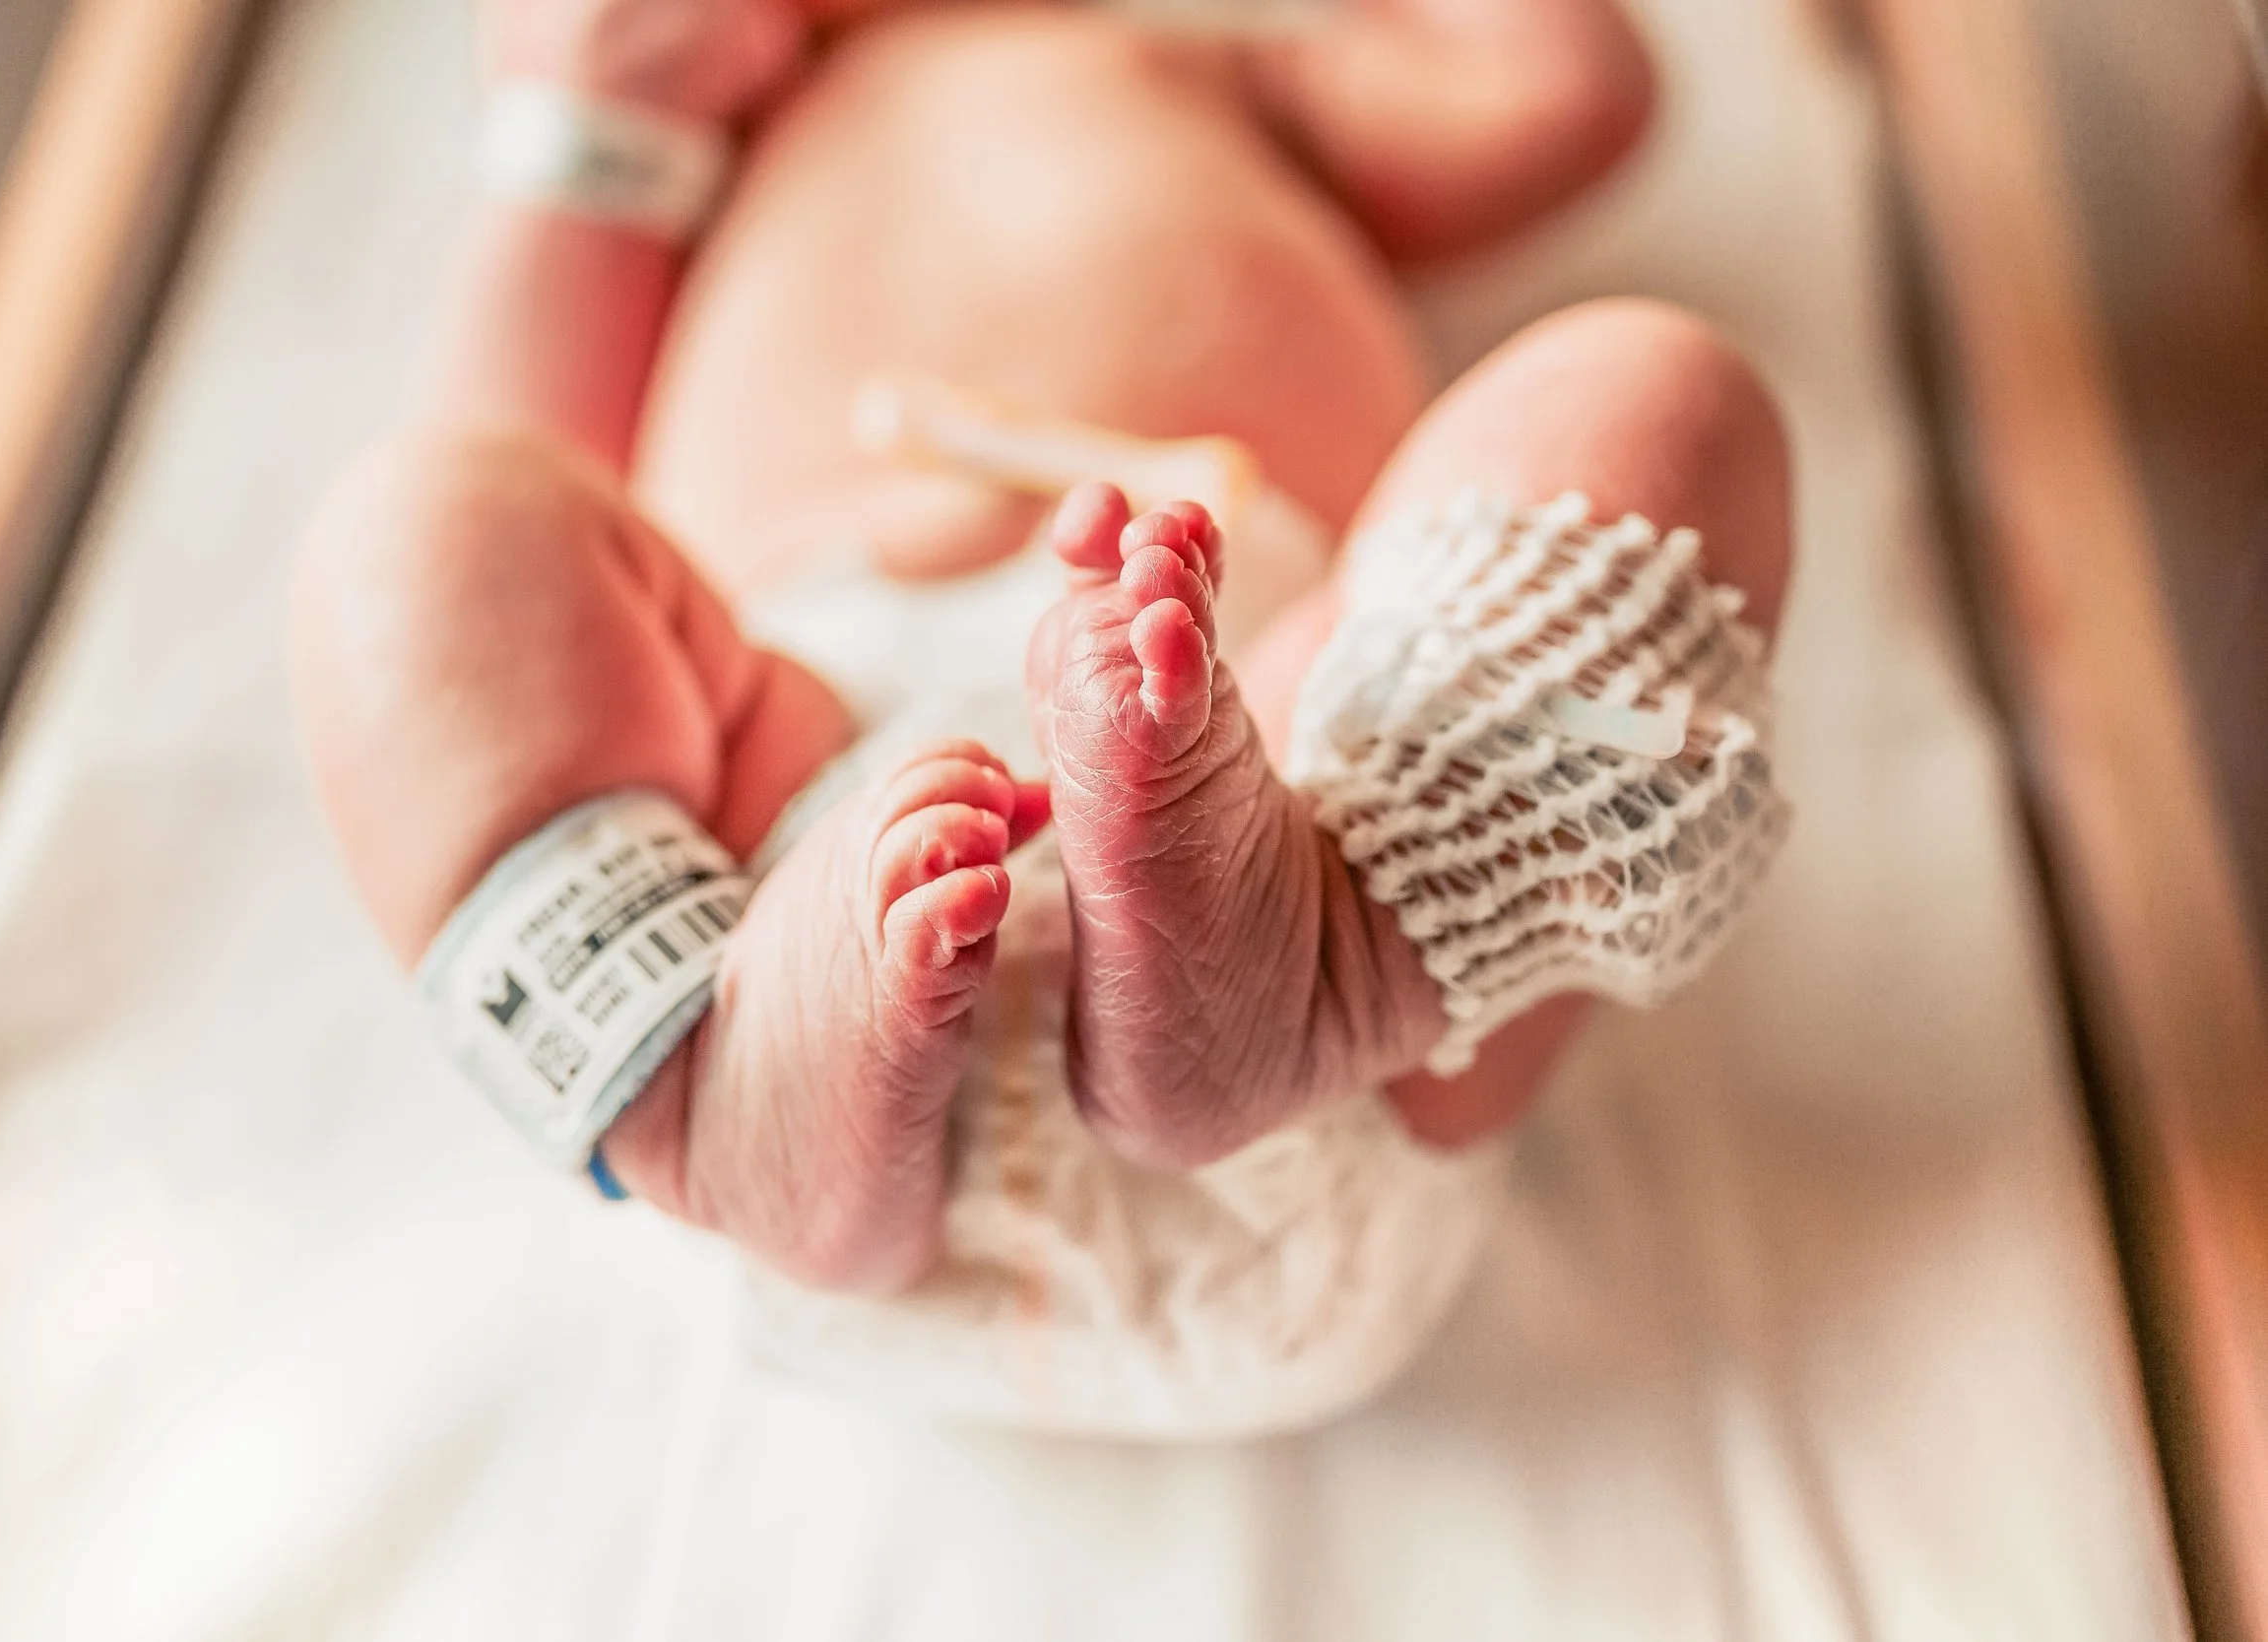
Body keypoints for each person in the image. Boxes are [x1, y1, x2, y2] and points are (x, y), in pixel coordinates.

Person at [292, 0, 1793, 1428]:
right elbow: (525, 458)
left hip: (1315, 814)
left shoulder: (1235, 76)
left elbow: (1573, 99)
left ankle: (1328, 962)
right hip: (740, 917)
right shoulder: (709, 137)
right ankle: (710, 1091)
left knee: (1656, 399)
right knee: (413, 531)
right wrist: (587, 129)